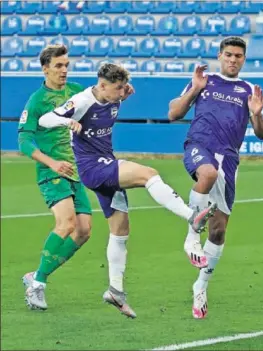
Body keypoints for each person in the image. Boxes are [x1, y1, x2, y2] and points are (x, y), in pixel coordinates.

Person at [39, 63, 217, 318]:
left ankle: (116, 290)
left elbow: (120, 92)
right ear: (101, 85)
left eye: (124, 87)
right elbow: (45, 119)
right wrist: (66, 122)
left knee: (120, 231)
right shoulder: (81, 101)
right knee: (149, 174)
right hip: (94, 168)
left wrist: (123, 91)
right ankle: (191, 216)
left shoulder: (115, 96)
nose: (122, 93)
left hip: (105, 163)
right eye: (118, 88)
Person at [168, 36, 263, 319]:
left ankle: (200, 286)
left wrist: (257, 114)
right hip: (200, 146)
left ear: (243, 59)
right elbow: (173, 114)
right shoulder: (203, 80)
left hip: (229, 159)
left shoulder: (248, 90)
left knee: (219, 230)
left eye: (238, 56)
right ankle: (191, 237)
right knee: (207, 173)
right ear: (220, 55)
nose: (233, 59)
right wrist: (193, 91)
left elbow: (262, 133)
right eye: (228, 54)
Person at [18, 44, 96, 311]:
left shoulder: (75, 91)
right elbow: (24, 140)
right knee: (66, 223)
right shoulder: (37, 100)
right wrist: (51, 162)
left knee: (84, 231)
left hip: (75, 172)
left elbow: (101, 97)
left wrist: (122, 94)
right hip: (51, 171)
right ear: (45, 69)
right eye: (58, 66)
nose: (64, 70)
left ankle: (36, 276)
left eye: (66, 65)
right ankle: (37, 286)